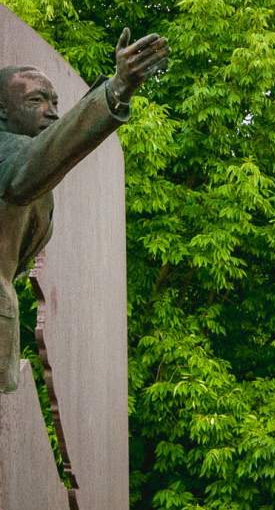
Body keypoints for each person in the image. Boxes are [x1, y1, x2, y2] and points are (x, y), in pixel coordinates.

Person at [0, 27, 169, 391]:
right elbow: (28, 169)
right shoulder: (8, 153)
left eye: (56, 103)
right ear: (2, 110)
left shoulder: (31, 166)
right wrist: (117, 88)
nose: (51, 113)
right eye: (36, 101)